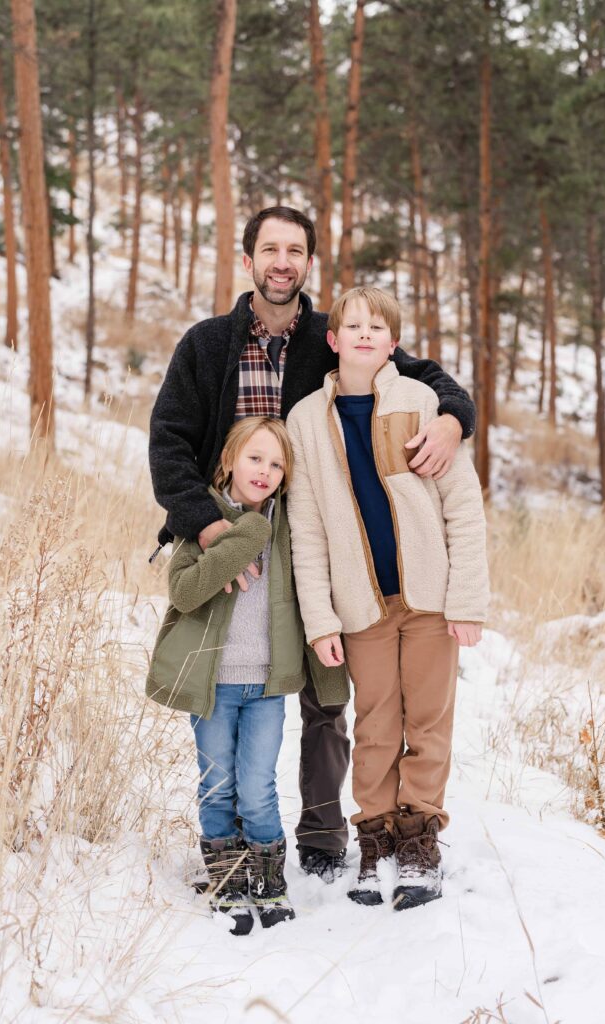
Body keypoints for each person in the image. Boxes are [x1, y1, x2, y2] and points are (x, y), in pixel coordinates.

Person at [149, 206, 476, 881]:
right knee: (230, 686)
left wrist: (452, 422)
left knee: (326, 700)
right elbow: (168, 444)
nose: (281, 262)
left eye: (293, 250)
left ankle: (325, 837)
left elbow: (421, 377)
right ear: (247, 260)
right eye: (268, 249)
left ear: (307, 262)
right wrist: (207, 526)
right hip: (231, 541)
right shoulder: (207, 344)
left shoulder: (331, 334)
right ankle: (233, 838)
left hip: (319, 544)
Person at [286, 286, 489, 910]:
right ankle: (374, 838)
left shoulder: (424, 402)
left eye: (378, 326)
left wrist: (468, 602)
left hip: (428, 600)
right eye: (353, 325)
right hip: (360, 606)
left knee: (428, 722)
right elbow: (308, 530)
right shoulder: (305, 422)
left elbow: (462, 506)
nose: (365, 334)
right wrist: (320, 618)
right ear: (332, 339)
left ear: (393, 343)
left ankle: (419, 837)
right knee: (376, 725)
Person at [145, 416, 349, 934]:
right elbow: (186, 593)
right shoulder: (201, 519)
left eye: (277, 463)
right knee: (217, 786)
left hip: (264, 686)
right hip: (211, 685)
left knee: (257, 785)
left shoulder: (287, 528)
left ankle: (267, 878)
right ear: (229, 460)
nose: (264, 471)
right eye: (255, 458)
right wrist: (242, 537)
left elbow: (309, 586)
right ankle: (226, 877)